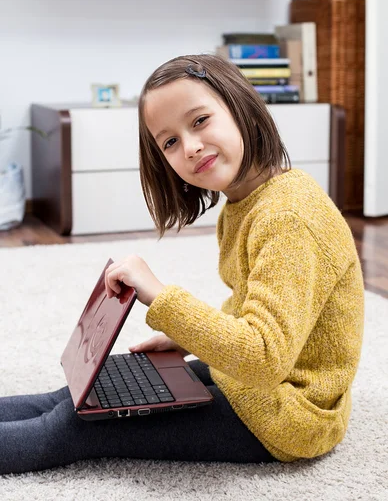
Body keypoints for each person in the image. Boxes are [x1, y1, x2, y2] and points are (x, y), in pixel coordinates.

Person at [0, 54, 364, 475]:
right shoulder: (248, 201)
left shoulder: (289, 218)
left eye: (200, 121)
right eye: (169, 142)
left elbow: (265, 359)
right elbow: (257, 308)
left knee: (76, 424)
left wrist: (162, 298)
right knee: (87, 394)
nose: (189, 147)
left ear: (240, 105)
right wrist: (191, 339)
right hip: (261, 380)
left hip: (286, 415)